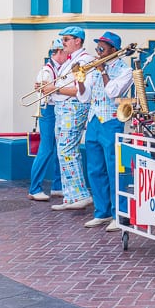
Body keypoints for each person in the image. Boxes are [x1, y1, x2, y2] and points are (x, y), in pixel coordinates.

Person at [77, 32, 133, 232]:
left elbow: (113, 92)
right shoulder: (93, 70)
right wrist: (80, 79)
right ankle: (102, 212)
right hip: (93, 121)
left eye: (102, 48)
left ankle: (120, 214)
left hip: (111, 122)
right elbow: (84, 98)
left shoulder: (124, 71)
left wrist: (102, 71)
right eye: (98, 48)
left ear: (113, 51)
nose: (98, 51)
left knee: (113, 169)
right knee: (94, 169)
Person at [44, 26, 94, 211]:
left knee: (67, 150)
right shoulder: (69, 61)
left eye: (66, 39)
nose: (62, 43)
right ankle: (70, 197)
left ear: (77, 41)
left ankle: (80, 195)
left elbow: (81, 92)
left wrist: (53, 89)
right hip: (62, 108)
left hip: (73, 108)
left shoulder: (85, 60)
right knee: (63, 151)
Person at [27, 38, 67, 201]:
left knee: (58, 149)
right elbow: (46, 94)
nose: (67, 55)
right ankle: (34, 188)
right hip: (48, 111)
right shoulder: (47, 71)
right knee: (46, 149)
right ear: (58, 52)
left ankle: (57, 186)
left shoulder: (58, 68)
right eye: (64, 52)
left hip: (56, 110)